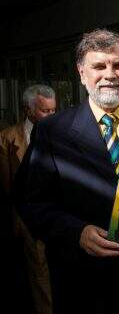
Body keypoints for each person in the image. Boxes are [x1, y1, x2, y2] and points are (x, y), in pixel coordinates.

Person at [19, 29, 119, 314]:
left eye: (118, 65)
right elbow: (30, 202)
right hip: (83, 284)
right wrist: (77, 232)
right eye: (99, 66)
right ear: (82, 73)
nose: (110, 74)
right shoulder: (52, 132)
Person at [0, 84, 56, 314]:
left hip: (56, 215)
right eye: (45, 111)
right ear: (28, 110)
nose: (51, 116)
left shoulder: (60, 134)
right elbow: (6, 186)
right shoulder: (7, 139)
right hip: (26, 216)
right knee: (38, 270)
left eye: (54, 111)